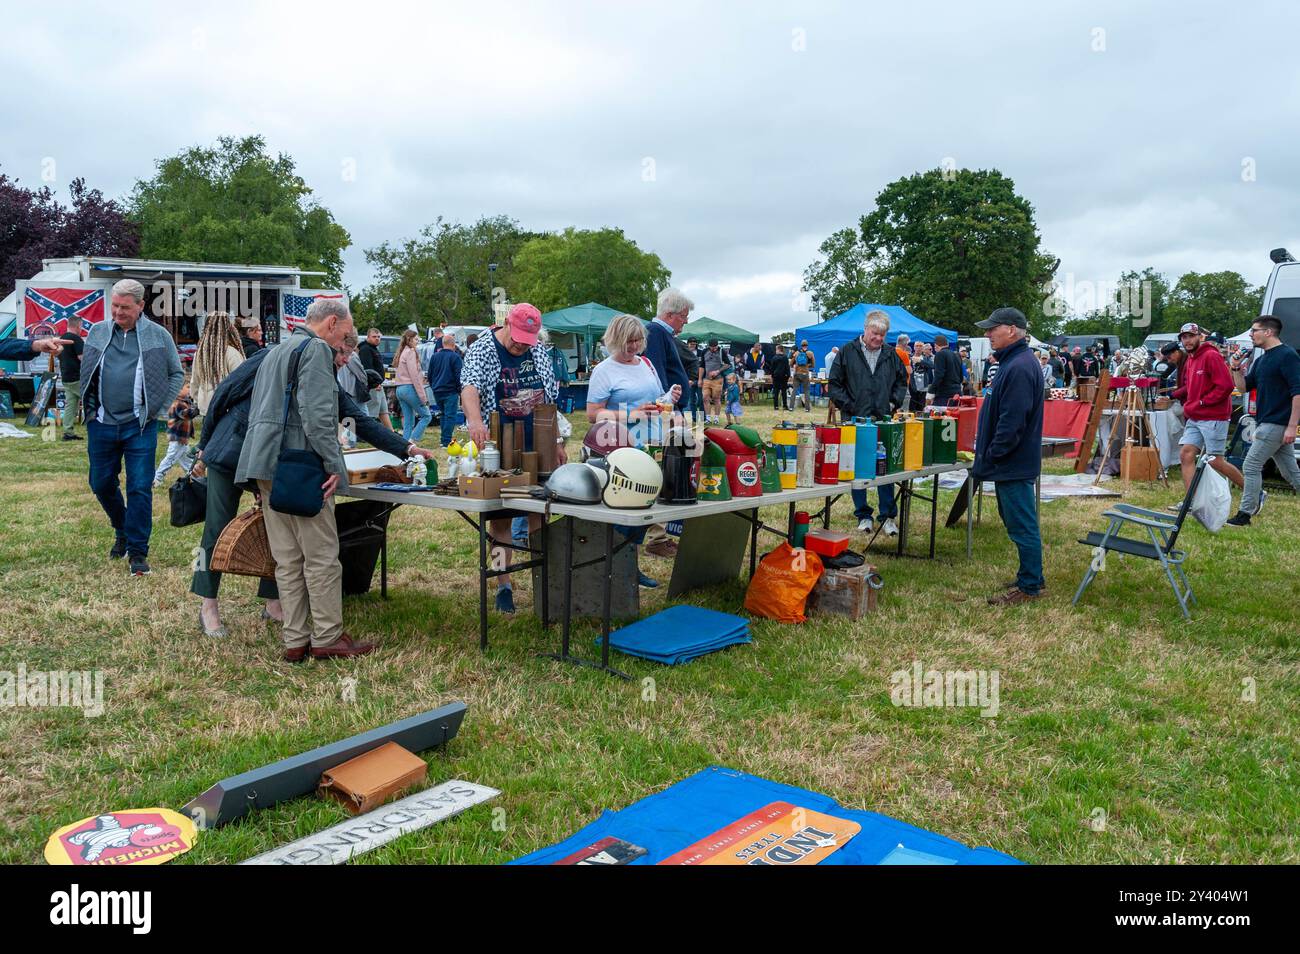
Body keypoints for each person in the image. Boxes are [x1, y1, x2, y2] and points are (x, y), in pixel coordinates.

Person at [235, 298, 372, 661]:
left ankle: (295, 639)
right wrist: (333, 466)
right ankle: (327, 635)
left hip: (266, 462)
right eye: (344, 335)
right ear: (331, 323)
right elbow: (318, 416)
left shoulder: (277, 350)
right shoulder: (314, 350)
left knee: (287, 558)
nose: (343, 343)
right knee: (322, 556)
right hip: (301, 464)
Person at [461, 303, 565, 612]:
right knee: (501, 517)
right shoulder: (483, 349)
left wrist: (557, 440)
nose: (521, 344)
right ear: (507, 323)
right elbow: (470, 389)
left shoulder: (538, 351)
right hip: (501, 441)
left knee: (539, 513)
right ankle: (502, 583)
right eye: (518, 336)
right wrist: (476, 422)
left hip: (539, 441)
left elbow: (550, 399)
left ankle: (542, 580)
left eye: (527, 339)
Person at [81, 279, 184, 576]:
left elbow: (175, 373)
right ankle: (121, 528)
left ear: (141, 306)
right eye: (114, 305)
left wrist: (156, 410)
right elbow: (88, 370)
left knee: (140, 487)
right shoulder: (99, 331)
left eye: (125, 307)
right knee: (100, 483)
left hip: (139, 425)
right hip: (101, 423)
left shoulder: (158, 335)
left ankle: (137, 551)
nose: (118, 312)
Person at [584, 314, 682, 587]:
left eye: (638, 340)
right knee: (627, 510)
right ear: (615, 339)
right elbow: (594, 415)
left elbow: (654, 400)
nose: (634, 346)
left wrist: (666, 399)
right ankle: (616, 566)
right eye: (629, 341)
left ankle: (627, 566)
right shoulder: (604, 371)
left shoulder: (646, 363)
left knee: (646, 507)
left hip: (652, 444)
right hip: (621, 448)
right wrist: (632, 413)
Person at [971, 307, 1045, 605]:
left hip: (1013, 462)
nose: (987, 334)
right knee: (1015, 520)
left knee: (1022, 524)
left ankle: (1029, 587)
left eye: (993, 329)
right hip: (1010, 461)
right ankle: (1031, 576)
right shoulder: (1015, 362)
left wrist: (993, 454)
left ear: (1012, 330)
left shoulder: (1019, 366)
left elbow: (1012, 421)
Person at [828, 310, 906, 537]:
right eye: (875, 333)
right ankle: (863, 515)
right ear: (865, 329)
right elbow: (834, 384)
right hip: (855, 419)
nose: (879, 339)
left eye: (883, 335)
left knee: (885, 468)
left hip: (883, 418)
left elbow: (902, 382)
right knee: (857, 468)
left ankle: (888, 517)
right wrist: (848, 405)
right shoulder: (847, 352)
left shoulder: (892, 355)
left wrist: (893, 402)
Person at [1225, 315, 1300, 526]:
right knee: (1291, 473)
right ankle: (1246, 512)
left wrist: (1292, 426)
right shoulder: (1261, 359)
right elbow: (1243, 387)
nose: (1250, 334)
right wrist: (1235, 368)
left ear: (1268, 332)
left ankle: (1245, 514)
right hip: (1266, 422)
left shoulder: (1287, 356)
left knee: (1250, 465)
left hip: (1277, 423)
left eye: (1254, 330)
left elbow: (1298, 393)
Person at [1171, 321, 1243, 498]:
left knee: (1215, 461)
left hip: (1214, 416)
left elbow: (1226, 386)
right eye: (1184, 337)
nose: (1187, 341)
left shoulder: (1211, 356)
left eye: (1191, 336)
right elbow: (1191, 386)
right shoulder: (1191, 360)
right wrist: (1183, 399)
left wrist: (1202, 403)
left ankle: (1253, 492)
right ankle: (1191, 501)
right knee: (1186, 454)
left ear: (1199, 337)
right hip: (1195, 416)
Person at [642, 287, 693, 415]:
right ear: (670, 315)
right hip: (667, 408)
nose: (686, 321)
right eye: (683, 316)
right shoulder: (655, 332)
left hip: (671, 405)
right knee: (674, 436)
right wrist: (669, 408)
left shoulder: (662, 332)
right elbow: (657, 372)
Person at [191, 311, 245, 416]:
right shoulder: (233, 354)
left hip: (206, 410)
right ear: (229, 329)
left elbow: (194, 382)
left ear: (206, 328)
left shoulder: (200, 353)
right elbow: (241, 383)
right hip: (228, 411)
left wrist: (199, 401)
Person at [153, 384, 198, 486]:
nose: (189, 390)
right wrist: (198, 409)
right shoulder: (177, 403)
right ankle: (157, 478)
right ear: (179, 390)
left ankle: (195, 476)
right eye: (187, 387)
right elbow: (186, 414)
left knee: (186, 458)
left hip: (182, 438)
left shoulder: (185, 402)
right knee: (171, 458)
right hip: (177, 437)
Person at [392, 329, 431, 443]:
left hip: (400, 389)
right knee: (426, 416)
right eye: (416, 339)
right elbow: (414, 376)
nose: (418, 341)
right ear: (409, 340)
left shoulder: (402, 351)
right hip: (409, 388)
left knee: (409, 421)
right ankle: (412, 441)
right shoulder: (411, 352)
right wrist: (423, 396)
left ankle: (404, 445)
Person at [51, 314, 86, 440]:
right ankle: (96, 428)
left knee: (70, 405)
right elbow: (82, 358)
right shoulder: (76, 339)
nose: (81, 328)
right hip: (77, 377)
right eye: (81, 326)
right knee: (92, 400)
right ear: (78, 325)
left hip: (66, 377)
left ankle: (68, 432)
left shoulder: (61, 339)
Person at [426, 333, 464, 447]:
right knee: (450, 416)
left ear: (442, 344)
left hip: (437, 390)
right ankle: (446, 441)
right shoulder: (455, 357)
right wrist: (459, 390)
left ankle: (444, 439)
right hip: (450, 390)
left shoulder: (435, 356)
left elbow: (430, 374)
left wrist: (434, 386)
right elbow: (459, 376)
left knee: (443, 415)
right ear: (453, 345)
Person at [357, 327, 392, 429]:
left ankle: (391, 433)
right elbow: (367, 369)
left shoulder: (373, 348)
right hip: (372, 386)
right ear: (368, 337)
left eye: (378, 337)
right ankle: (367, 434)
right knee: (371, 412)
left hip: (378, 384)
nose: (377, 339)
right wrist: (374, 384)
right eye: (374, 337)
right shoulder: (365, 349)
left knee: (383, 411)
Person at [675, 334, 702, 424]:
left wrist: (697, 379)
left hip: (698, 379)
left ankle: (701, 419)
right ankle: (688, 420)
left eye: (694, 343)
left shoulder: (700, 353)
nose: (692, 345)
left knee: (700, 400)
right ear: (688, 344)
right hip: (686, 379)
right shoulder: (682, 351)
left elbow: (699, 364)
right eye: (691, 343)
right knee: (689, 400)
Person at [930, 334, 962, 407]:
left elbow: (939, 375)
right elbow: (961, 376)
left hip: (944, 394)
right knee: (954, 417)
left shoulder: (940, 354)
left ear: (936, 345)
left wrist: (931, 391)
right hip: (957, 392)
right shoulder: (956, 355)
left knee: (940, 417)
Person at [701, 338, 726, 424]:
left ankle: (716, 418)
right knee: (705, 398)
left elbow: (728, 364)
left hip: (718, 379)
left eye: (715, 347)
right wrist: (700, 379)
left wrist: (717, 371)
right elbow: (702, 366)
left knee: (716, 398)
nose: (714, 349)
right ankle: (708, 418)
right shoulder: (704, 351)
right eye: (712, 347)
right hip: (706, 379)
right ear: (708, 346)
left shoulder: (721, 351)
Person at [909, 341, 933, 411]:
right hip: (913, 384)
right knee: (912, 404)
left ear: (923, 348)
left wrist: (920, 361)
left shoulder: (926, 358)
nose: (918, 348)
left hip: (923, 384)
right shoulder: (910, 357)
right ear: (914, 347)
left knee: (921, 405)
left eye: (920, 346)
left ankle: (921, 419)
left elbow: (932, 366)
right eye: (917, 346)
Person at [770, 343, 791, 411]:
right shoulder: (785, 357)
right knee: (783, 391)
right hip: (784, 376)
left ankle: (776, 406)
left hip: (776, 376)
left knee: (776, 392)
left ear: (779, 350)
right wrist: (788, 375)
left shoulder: (774, 358)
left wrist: (772, 375)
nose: (775, 351)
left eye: (776, 349)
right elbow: (787, 367)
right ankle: (785, 405)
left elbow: (772, 368)